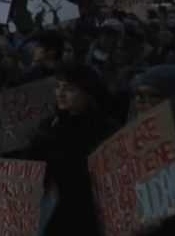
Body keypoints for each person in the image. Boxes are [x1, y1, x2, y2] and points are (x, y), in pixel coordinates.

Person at [27, 63, 118, 235]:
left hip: (88, 222)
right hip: (52, 220)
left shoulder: (107, 130)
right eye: (58, 86)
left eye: (69, 89)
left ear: (87, 92)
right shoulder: (49, 126)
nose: (60, 93)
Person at [128, 65, 175, 235]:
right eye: (138, 96)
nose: (140, 103)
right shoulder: (132, 145)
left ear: (174, 100)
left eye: (149, 96)